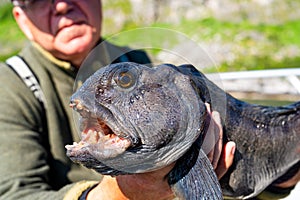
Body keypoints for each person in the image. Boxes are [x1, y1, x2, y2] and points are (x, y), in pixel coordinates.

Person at [0, 0, 297, 200]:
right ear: (21, 19)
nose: (62, 4)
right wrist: (123, 192)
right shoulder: (10, 85)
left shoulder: (134, 60)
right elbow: (16, 194)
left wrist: (282, 179)